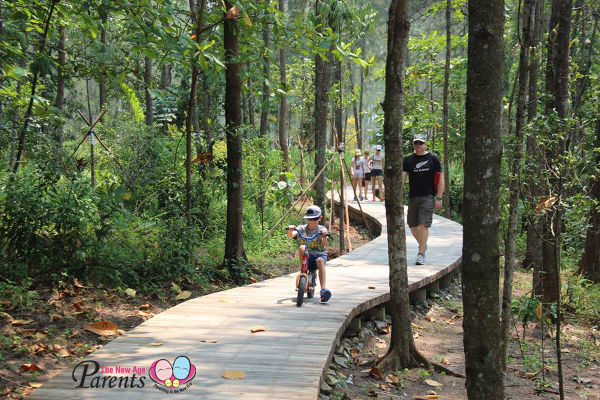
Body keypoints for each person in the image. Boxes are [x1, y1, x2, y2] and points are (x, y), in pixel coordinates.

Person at [402, 133, 444, 265]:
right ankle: (423, 244)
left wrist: (439, 198)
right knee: (412, 226)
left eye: (421, 143)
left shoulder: (433, 159)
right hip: (413, 196)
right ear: (413, 145)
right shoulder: (408, 160)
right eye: (416, 143)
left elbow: (440, 179)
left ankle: (421, 253)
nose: (418, 145)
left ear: (425, 144)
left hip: (428, 196)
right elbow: (402, 177)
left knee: (423, 224)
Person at [287, 205, 331, 302]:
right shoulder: (302, 228)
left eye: (314, 219)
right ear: (306, 219)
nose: (312, 221)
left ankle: (323, 290)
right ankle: (303, 270)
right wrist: (290, 231)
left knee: (320, 261)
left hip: (319, 255)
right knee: (302, 247)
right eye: (309, 219)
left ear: (320, 218)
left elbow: (324, 243)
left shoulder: (321, 229)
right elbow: (292, 235)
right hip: (307, 257)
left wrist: (324, 236)